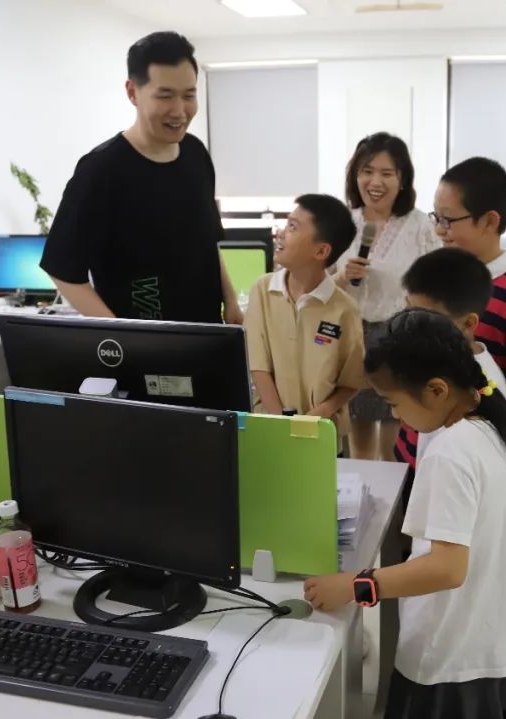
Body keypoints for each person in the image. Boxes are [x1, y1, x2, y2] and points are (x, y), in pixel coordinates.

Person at [303, 308, 506, 719]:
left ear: (436, 390)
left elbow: (447, 569)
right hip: (486, 650)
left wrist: (355, 586)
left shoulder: (450, 452)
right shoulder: (496, 425)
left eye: (394, 403)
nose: (395, 415)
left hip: (444, 659)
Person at [41, 31, 242, 324]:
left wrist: (232, 304)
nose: (180, 111)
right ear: (133, 92)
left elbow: (208, 244)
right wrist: (122, 334)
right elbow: (62, 270)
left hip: (207, 335)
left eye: (189, 95)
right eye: (165, 96)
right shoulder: (101, 169)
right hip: (142, 345)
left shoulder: (195, 154)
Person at [335, 133, 441, 461]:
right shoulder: (343, 223)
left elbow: (436, 285)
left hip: (401, 339)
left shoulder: (420, 226)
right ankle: (365, 493)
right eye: (367, 171)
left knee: (396, 441)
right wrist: (342, 276)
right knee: (359, 438)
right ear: (355, 176)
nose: (375, 182)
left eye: (386, 173)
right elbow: (322, 288)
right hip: (353, 339)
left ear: (402, 179)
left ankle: (397, 495)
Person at [243, 195, 364, 452]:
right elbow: (258, 366)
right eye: (286, 224)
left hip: (322, 437)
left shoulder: (345, 309)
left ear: (321, 251)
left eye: (293, 227)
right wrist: (281, 424)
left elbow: (352, 381)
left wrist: (321, 413)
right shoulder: (263, 291)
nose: (280, 233)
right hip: (269, 429)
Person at [434, 157, 506, 409]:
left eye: (447, 220)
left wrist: (462, 393)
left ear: (489, 221)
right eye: (436, 217)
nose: (438, 230)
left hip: (476, 429)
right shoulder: (437, 278)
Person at [401, 247, 506, 465]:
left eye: (424, 319)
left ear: (468, 323)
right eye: (408, 310)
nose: (410, 325)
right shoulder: (442, 361)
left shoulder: (477, 385)